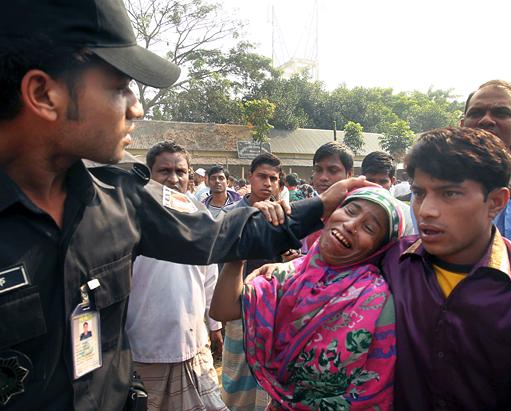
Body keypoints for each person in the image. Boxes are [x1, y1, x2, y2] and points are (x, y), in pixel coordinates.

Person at [0, 0, 362, 408]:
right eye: (119, 87)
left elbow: (219, 233)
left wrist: (321, 205)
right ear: (43, 93)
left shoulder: (121, 198)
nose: (136, 107)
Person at [252, 127, 511, 410]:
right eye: (419, 193)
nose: (426, 210)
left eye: (450, 194)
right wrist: (281, 262)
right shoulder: (391, 258)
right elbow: (325, 264)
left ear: (495, 202)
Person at [211, 186, 404, 410]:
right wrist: (244, 238)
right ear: (331, 213)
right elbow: (222, 310)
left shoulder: (378, 299)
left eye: (369, 228)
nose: (351, 226)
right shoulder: (290, 273)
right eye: (350, 211)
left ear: (378, 248)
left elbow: (375, 386)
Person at [126, 141, 227, 410]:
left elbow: (209, 278)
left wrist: (214, 325)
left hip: (195, 347)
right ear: (149, 174)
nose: (173, 179)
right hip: (143, 348)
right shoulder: (131, 218)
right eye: (164, 171)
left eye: (180, 172)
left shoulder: (200, 217)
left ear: (190, 175)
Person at [220, 153, 284, 411]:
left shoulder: (283, 216)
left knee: (270, 380)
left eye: (273, 178)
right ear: (250, 177)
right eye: (262, 176)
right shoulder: (231, 215)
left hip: (273, 310)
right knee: (237, 377)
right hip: (236, 306)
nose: (267, 183)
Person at [461, 80, 511, 251]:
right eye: (476, 112)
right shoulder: (433, 185)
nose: (486, 120)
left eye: (500, 113)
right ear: (462, 125)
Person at [301, 142, 355, 253]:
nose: (323, 177)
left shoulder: (358, 215)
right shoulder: (308, 211)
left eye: (333, 170)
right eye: (318, 170)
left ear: (349, 174)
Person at [361, 151, 416, 235]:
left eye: (383, 181)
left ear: (392, 181)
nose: (377, 187)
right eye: (370, 181)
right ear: (361, 179)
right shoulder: (350, 209)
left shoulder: (406, 216)